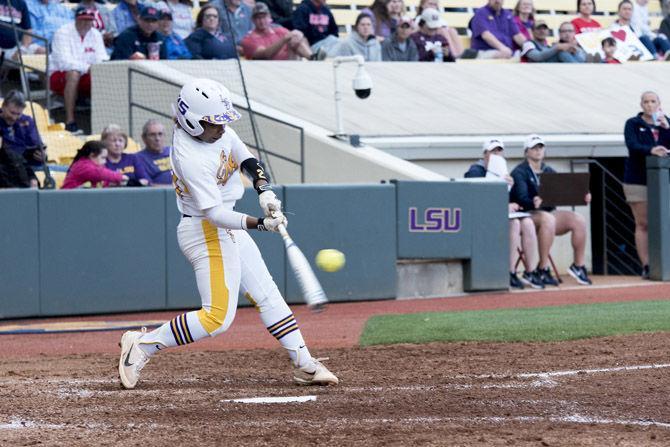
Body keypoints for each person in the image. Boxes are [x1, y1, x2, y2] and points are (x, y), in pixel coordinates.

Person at [117, 78, 338, 389]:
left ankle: (304, 364)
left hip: (226, 228)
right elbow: (216, 214)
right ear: (193, 122)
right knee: (217, 318)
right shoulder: (189, 156)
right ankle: (142, 345)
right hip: (205, 229)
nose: (220, 128)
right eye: (213, 124)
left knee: (267, 294)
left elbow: (247, 160)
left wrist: (264, 191)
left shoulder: (219, 132)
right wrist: (261, 223)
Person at [510, 134, 593, 286]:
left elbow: (563, 192)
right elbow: (521, 198)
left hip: (547, 213)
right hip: (527, 215)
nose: (538, 151)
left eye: (540, 147)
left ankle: (578, 266)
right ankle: (542, 268)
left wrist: (582, 196)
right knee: (548, 219)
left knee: (578, 220)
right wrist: (533, 201)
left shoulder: (548, 170)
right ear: (526, 151)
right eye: (534, 148)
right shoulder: (519, 172)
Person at [464, 138, 543, 290]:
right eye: (494, 151)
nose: (497, 154)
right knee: (514, 224)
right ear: (485, 154)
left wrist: (509, 190)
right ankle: (510, 271)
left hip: (499, 215)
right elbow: (477, 198)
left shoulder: (502, 170)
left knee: (527, 222)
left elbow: (509, 201)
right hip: (479, 218)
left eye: (500, 151)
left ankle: (530, 271)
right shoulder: (475, 170)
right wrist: (504, 204)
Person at [623, 91, 670, 279]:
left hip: (662, 179)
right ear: (641, 105)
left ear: (659, 104)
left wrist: (667, 128)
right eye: (646, 102)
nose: (650, 105)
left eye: (653, 101)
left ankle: (665, 262)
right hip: (638, 179)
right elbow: (632, 145)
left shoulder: (666, 122)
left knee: (664, 221)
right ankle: (647, 264)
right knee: (643, 223)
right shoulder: (633, 124)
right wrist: (651, 150)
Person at [50, 7, 109, 135]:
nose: (86, 23)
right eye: (83, 20)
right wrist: (89, 68)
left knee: (106, 74)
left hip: (87, 73)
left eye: (89, 20)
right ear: (76, 19)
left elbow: (102, 58)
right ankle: (70, 121)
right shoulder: (63, 32)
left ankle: (104, 121)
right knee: (73, 73)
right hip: (59, 75)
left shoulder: (95, 34)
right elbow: (64, 62)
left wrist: (95, 69)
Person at [241, 2, 315, 60]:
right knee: (291, 38)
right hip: (265, 70)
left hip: (289, 65)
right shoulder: (249, 39)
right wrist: (284, 39)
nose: (262, 21)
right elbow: (265, 54)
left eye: (264, 17)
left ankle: (313, 58)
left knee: (296, 40)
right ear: (253, 20)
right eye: (258, 18)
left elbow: (298, 38)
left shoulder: (279, 30)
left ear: (269, 17)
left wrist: (299, 35)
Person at [0, 90, 45, 167]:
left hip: (31, 165)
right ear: (3, 106)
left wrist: (42, 155)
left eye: (18, 114)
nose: (14, 118)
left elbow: (37, 143)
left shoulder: (27, 121)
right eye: (12, 113)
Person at [61, 140, 128, 189]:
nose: (105, 161)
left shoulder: (96, 168)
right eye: (103, 158)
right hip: (67, 199)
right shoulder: (82, 166)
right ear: (92, 155)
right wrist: (120, 177)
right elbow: (99, 173)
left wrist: (111, 183)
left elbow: (101, 182)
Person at [136, 119, 172, 185]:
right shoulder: (138, 159)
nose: (157, 138)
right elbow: (149, 185)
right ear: (144, 138)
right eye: (152, 135)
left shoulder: (174, 152)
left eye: (160, 134)